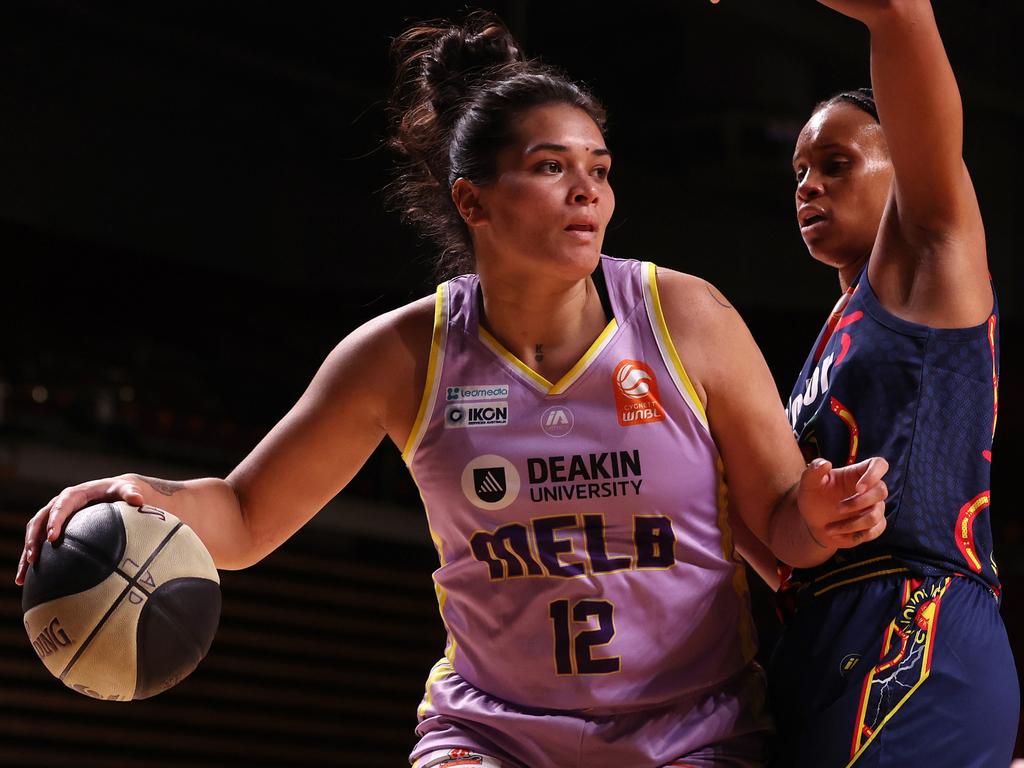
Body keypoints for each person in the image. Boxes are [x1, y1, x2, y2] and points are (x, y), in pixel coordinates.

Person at [16, 12, 889, 768]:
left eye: (601, 166)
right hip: (495, 734)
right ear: (472, 202)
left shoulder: (684, 317)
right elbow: (244, 518)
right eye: (551, 167)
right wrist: (149, 500)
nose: (588, 189)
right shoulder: (405, 356)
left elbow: (781, 526)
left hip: (690, 732)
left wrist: (817, 514)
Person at [769, 1, 1018, 766]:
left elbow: (901, 13)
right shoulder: (828, 343)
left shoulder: (935, 256)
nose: (809, 185)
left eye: (836, 163)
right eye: (801, 171)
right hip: (817, 635)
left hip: (916, 619)